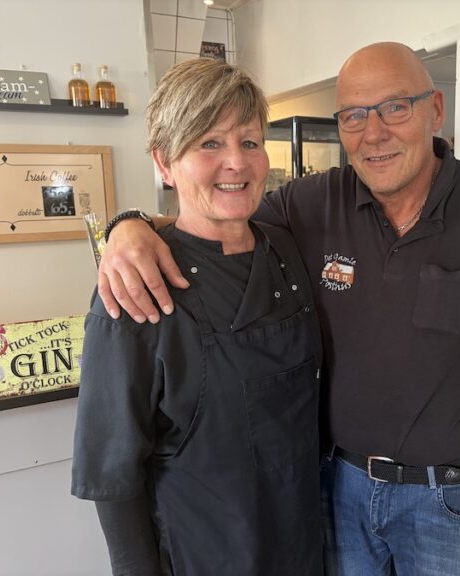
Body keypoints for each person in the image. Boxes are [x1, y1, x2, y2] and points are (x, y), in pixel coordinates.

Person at [97, 43, 460, 575]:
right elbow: (219, 212)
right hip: (338, 490)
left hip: (451, 498)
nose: (374, 133)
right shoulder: (310, 204)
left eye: (395, 107)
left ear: (436, 110)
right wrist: (128, 226)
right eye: (353, 115)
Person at [71, 57, 323, 576]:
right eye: (209, 143)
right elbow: (114, 471)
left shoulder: (287, 248)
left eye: (249, 142)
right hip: (206, 551)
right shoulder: (135, 287)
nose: (236, 162)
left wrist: (129, 220)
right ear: (164, 163)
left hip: (303, 539)